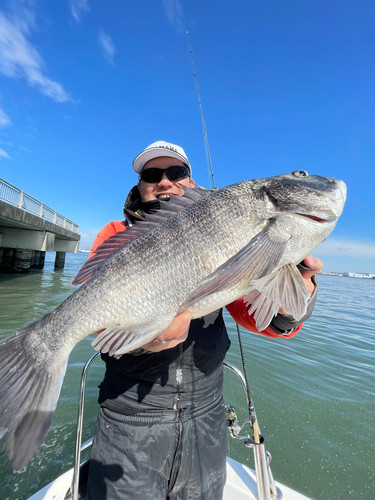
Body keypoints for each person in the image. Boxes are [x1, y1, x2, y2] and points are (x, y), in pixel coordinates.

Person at [84, 141, 322, 500]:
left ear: (191, 181)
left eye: (176, 172)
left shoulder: (231, 228)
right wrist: (140, 339)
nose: (164, 181)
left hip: (206, 412)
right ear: (139, 184)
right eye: (152, 174)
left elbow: (258, 316)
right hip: (130, 412)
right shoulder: (114, 235)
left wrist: (294, 296)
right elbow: (97, 311)